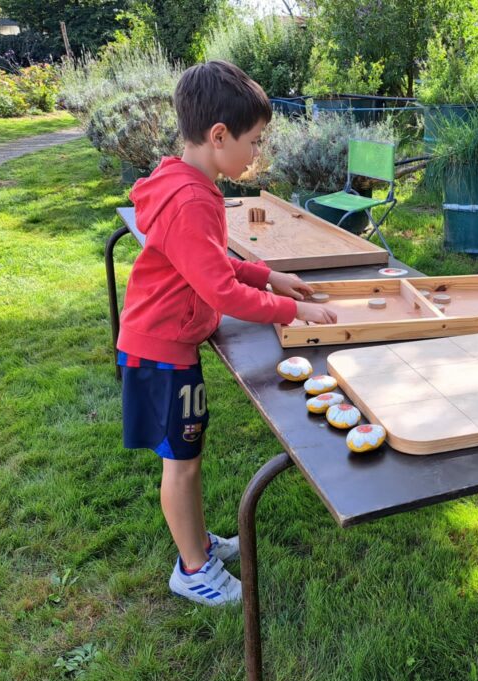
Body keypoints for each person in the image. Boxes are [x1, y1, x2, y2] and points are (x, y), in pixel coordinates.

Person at [117, 60, 337, 606]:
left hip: (167, 343)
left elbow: (216, 266)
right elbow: (221, 293)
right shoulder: (192, 201)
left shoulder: (188, 184)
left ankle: (197, 543)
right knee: (182, 463)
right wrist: (291, 311)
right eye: (255, 142)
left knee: (185, 456)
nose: (257, 153)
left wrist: (272, 275)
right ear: (219, 136)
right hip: (161, 351)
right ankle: (192, 568)